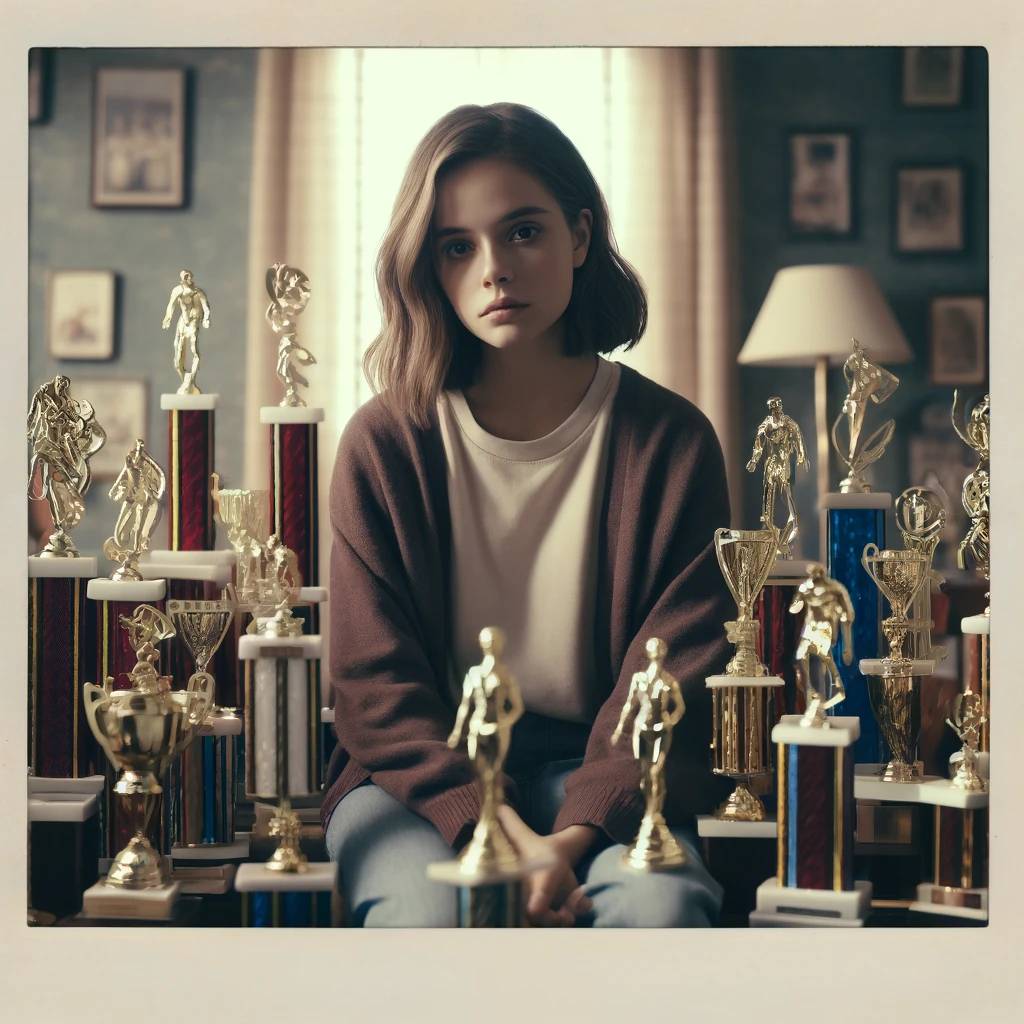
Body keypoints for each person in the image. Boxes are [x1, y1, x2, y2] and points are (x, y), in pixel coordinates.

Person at [322, 103, 733, 928]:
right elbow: (376, 690)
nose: (493, 269)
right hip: (416, 789)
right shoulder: (384, 444)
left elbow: (681, 671)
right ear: (428, 268)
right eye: (456, 246)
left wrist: (568, 841)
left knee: (662, 914)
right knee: (428, 926)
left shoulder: (672, 442)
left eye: (523, 233)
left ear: (579, 238)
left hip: (615, 780)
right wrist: (492, 830)